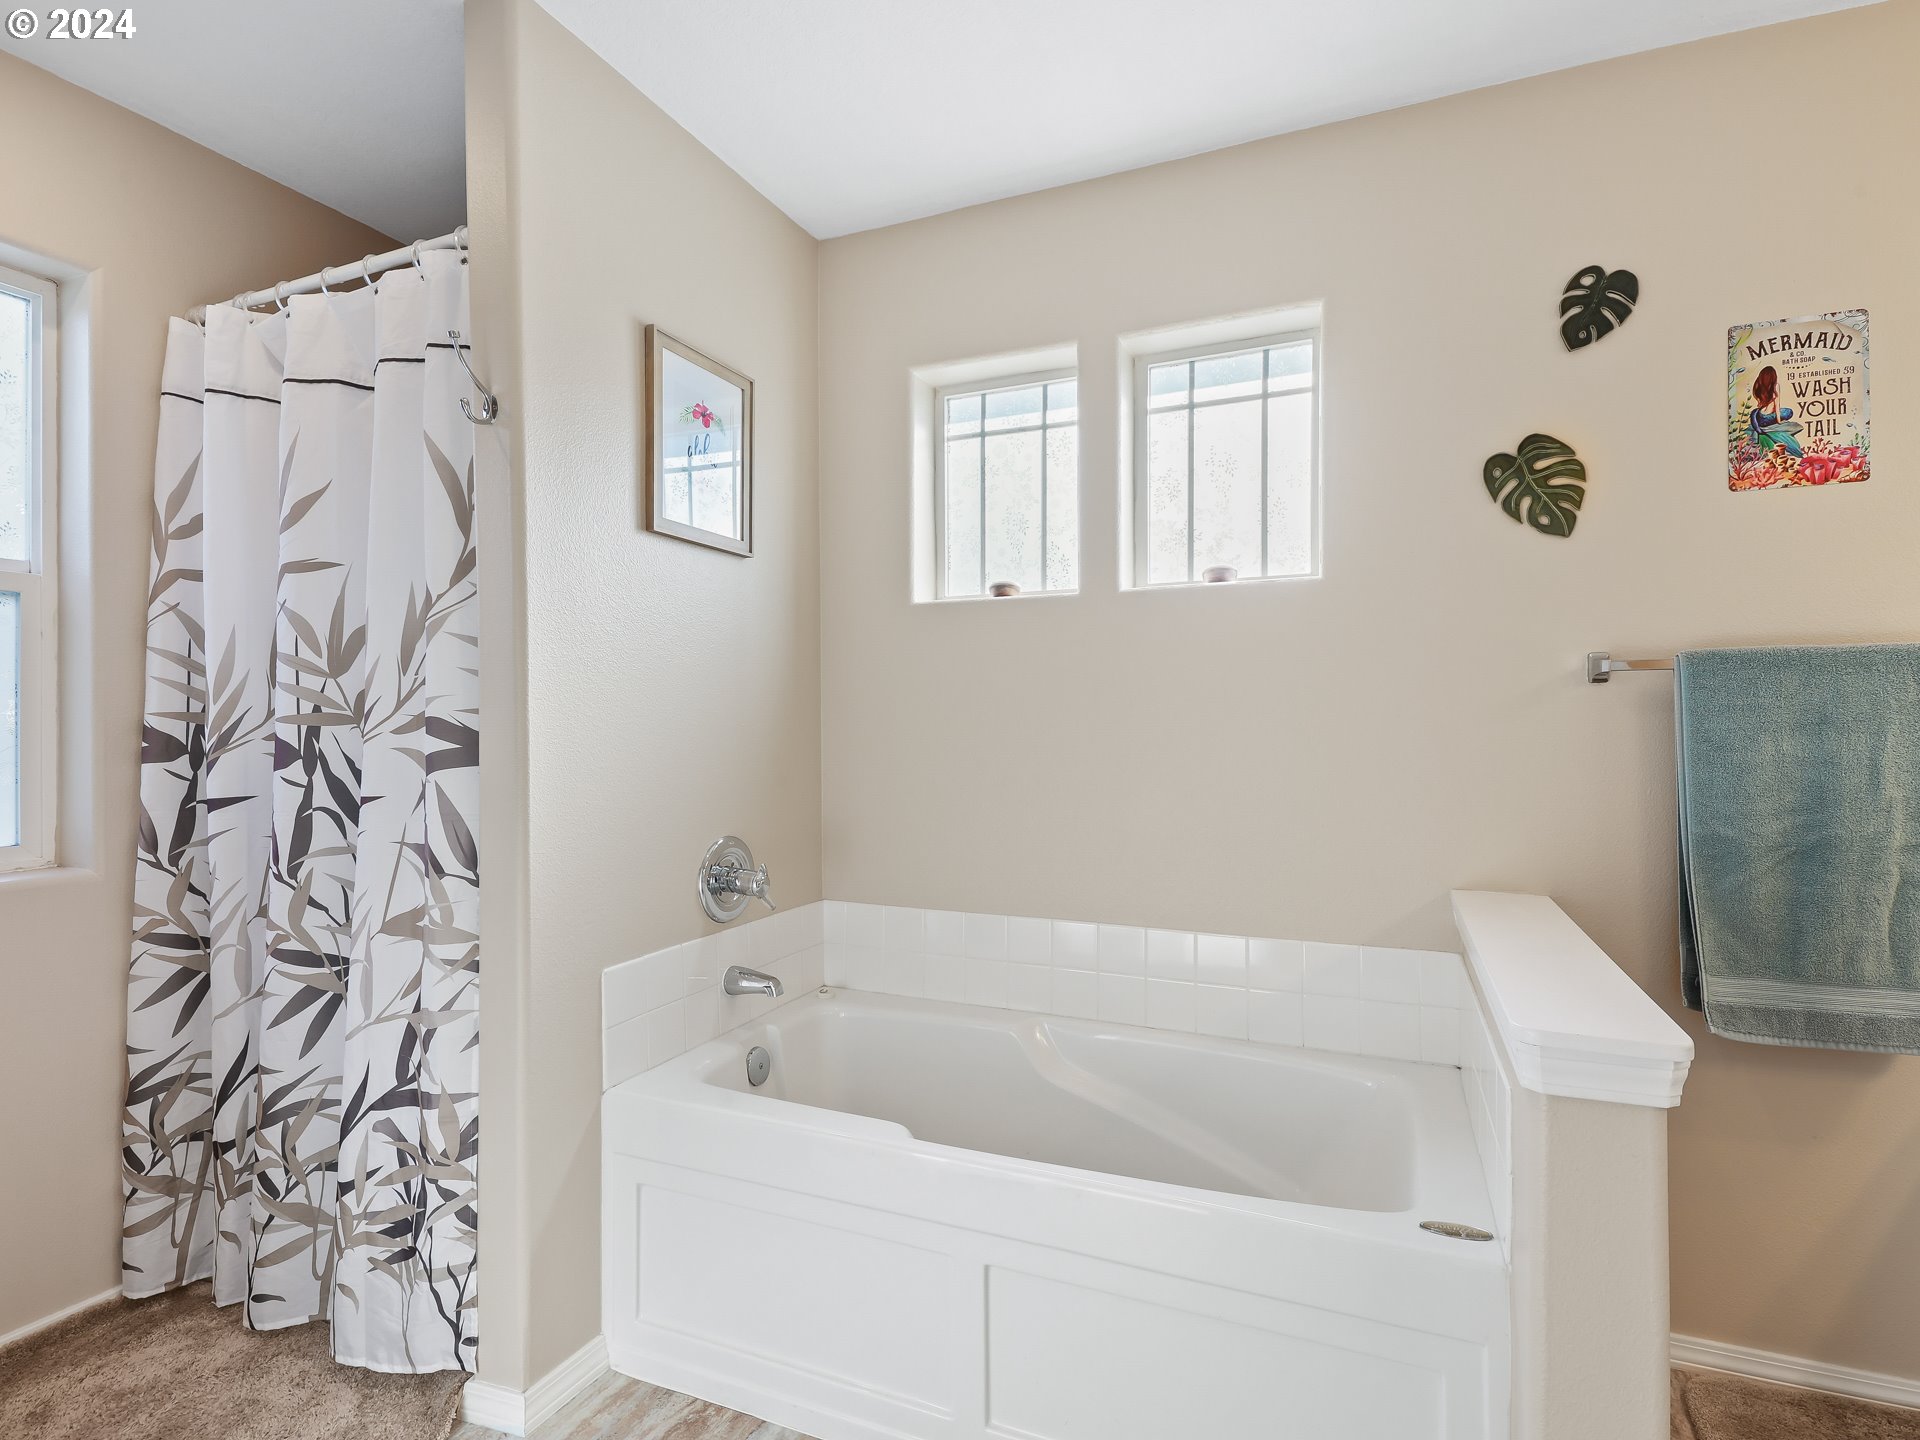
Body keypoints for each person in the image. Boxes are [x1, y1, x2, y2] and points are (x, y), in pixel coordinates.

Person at [1747, 366, 1804, 459]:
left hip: (1760, 416)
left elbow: (1760, 404)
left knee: (1784, 411)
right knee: (1788, 412)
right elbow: (1777, 405)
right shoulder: (1776, 386)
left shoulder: (1760, 386)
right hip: (1769, 418)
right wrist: (1779, 422)